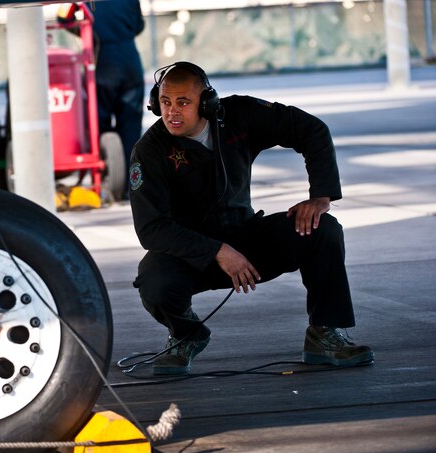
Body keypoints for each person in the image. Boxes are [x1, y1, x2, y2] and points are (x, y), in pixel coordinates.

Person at [129, 61, 374, 376]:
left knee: (322, 228)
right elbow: (152, 229)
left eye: (183, 102)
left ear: (207, 101)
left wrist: (321, 196)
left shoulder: (239, 116)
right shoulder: (150, 150)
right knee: (153, 279)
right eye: (165, 102)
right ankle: (186, 335)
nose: (172, 112)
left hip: (247, 238)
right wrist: (218, 251)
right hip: (192, 255)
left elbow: (311, 130)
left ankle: (325, 335)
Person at [88, 0, 145, 197]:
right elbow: (139, 25)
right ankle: (132, 186)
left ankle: (110, 175)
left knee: (99, 121)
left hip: (101, 60)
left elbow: (65, 18)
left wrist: (90, 35)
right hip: (130, 60)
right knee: (130, 125)